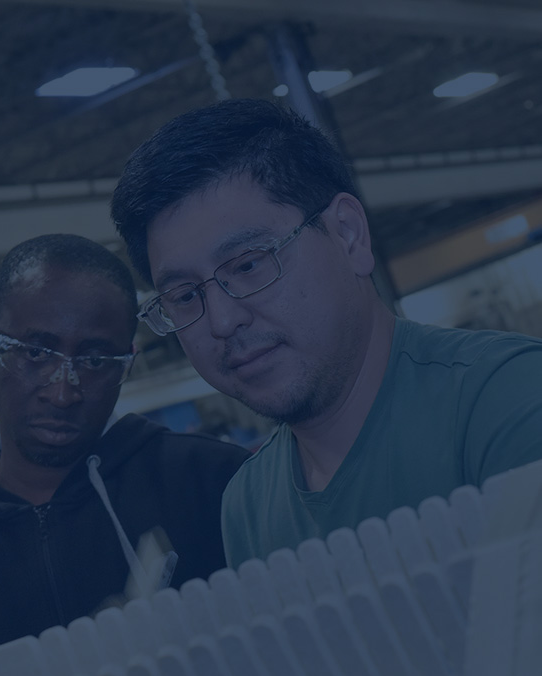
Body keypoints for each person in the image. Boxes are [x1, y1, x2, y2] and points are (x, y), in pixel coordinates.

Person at [111, 98, 542, 568]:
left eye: (249, 265)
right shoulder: (249, 505)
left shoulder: (508, 404)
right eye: (185, 295)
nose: (222, 320)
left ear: (348, 235)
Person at [0, 234, 248, 676]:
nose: (63, 391)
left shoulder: (215, 483)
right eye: (34, 353)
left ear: (126, 363)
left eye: (94, 360)